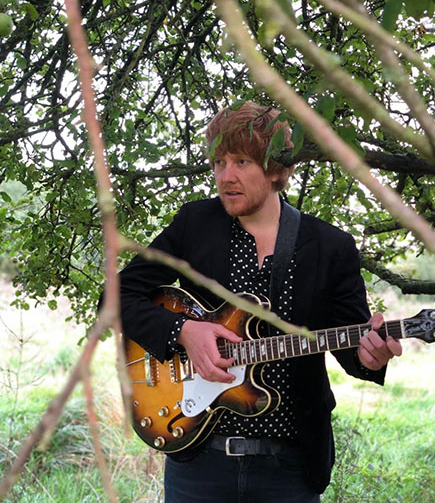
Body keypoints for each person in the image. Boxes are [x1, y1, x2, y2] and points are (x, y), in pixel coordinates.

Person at [118, 102, 402, 502]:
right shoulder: (195, 224)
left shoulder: (330, 246)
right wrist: (184, 331)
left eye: (241, 161)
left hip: (289, 470)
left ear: (276, 170)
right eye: (219, 162)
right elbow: (117, 296)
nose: (225, 176)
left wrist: (372, 356)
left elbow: (354, 347)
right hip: (198, 462)